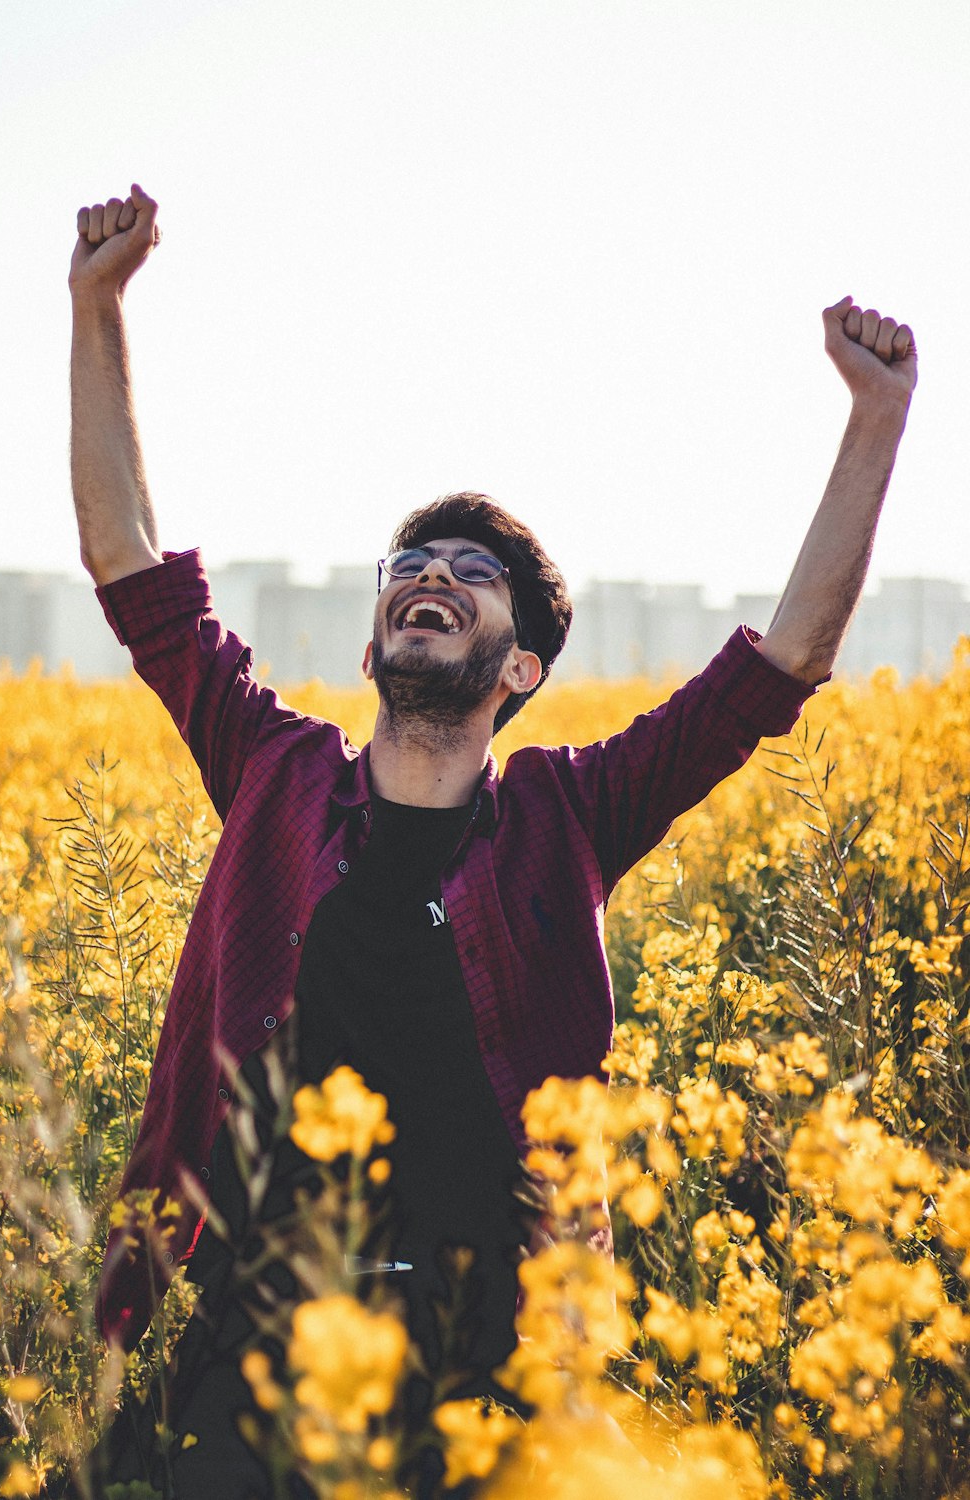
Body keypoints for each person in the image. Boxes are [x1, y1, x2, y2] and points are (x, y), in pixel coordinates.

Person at [66, 184, 917, 1497]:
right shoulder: (273, 771)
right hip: (258, 1345)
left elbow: (782, 661)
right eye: (414, 564)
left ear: (519, 669)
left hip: (494, 1365)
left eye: (473, 572)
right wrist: (97, 304)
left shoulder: (570, 815)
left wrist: (876, 418)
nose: (434, 574)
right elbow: (129, 564)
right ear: (372, 646)